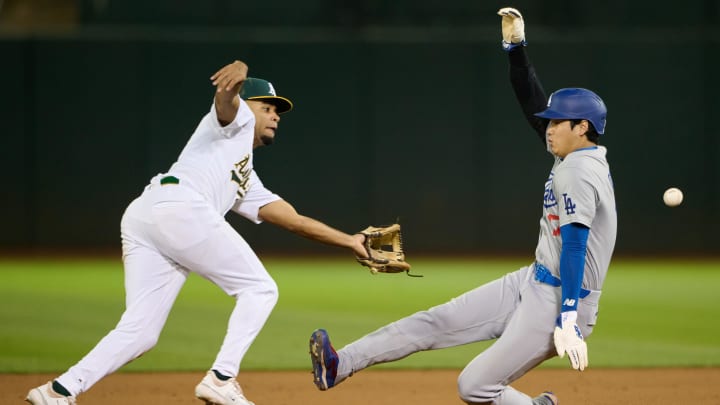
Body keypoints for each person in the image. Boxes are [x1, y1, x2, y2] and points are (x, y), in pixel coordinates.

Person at [308, 7, 617, 405]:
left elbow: (576, 245)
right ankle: (339, 364)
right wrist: (516, 49)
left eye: (558, 122)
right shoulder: (572, 156)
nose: (548, 127)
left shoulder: (578, 171)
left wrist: (569, 317)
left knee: (474, 386)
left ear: (583, 128)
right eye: (551, 121)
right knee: (434, 322)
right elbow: (530, 101)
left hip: (560, 300)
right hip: (533, 280)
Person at [26, 60, 369, 405]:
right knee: (259, 288)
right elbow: (226, 104)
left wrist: (350, 241)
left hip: (145, 214)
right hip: (179, 206)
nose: (276, 115)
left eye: (277, 110)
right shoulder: (235, 123)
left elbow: (293, 220)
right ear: (249, 107)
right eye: (268, 106)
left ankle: (58, 391)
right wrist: (237, 77)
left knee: (140, 332)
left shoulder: (243, 173)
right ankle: (222, 378)